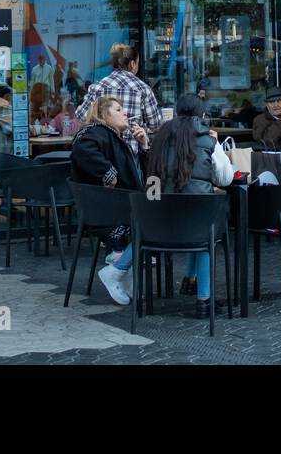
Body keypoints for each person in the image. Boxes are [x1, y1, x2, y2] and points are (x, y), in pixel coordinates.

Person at [147, 94, 234, 318]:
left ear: (176, 113)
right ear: (202, 115)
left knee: (197, 223)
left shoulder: (159, 138)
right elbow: (225, 179)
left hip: (160, 226)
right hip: (196, 224)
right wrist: (217, 147)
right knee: (204, 232)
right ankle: (204, 302)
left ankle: (189, 280)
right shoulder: (208, 140)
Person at [70, 96, 144, 305]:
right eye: (119, 109)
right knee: (151, 224)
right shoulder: (93, 133)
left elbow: (142, 177)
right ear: (104, 114)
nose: (125, 113)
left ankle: (120, 266)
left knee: (153, 221)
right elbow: (82, 150)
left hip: (119, 206)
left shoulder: (114, 137)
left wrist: (144, 145)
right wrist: (107, 173)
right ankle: (118, 269)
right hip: (105, 212)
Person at [74, 43, 161, 157]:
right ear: (132, 64)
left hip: (101, 153)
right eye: (138, 63)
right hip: (130, 156)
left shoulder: (98, 87)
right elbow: (155, 125)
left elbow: (81, 116)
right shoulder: (143, 89)